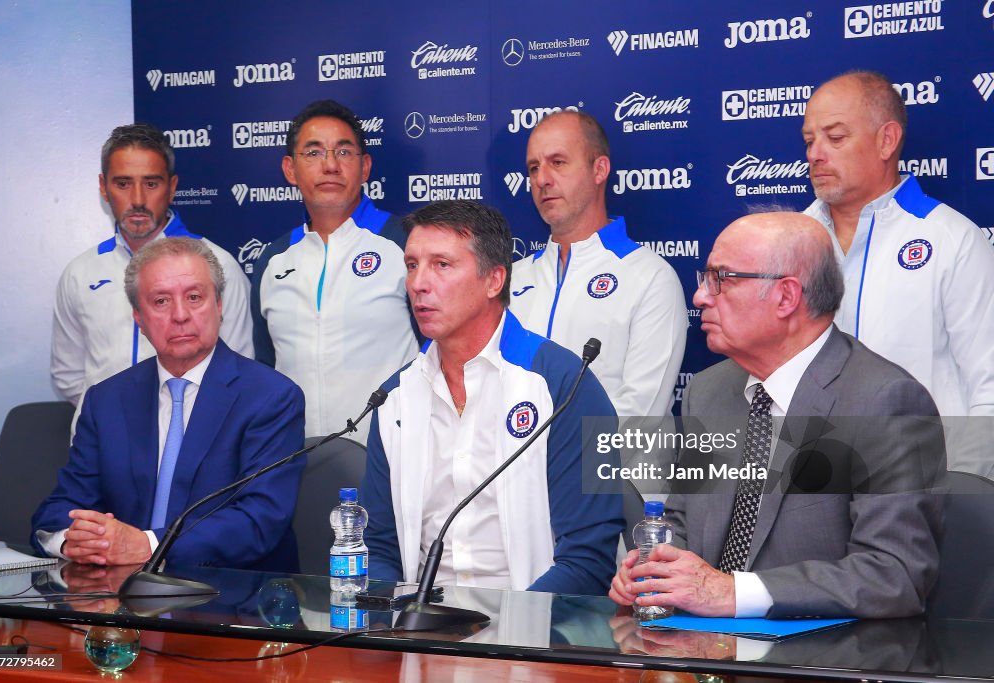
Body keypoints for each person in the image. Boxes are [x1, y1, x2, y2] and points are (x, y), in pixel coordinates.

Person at [609, 212, 942, 618]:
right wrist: (655, 568)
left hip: (820, 663)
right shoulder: (708, 392)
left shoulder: (883, 401)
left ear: (786, 297)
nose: (700, 297)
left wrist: (735, 592)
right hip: (702, 655)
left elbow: (895, 575)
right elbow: (682, 522)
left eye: (722, 279)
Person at [361, 200, 623, 595]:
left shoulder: (564, 386)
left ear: (494, 280)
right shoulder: (394, 398)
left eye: (441, 265)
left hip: (535, 634)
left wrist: (510, 632)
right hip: (420, 631)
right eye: (412, 265)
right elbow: (379, 546)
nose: (418, 283)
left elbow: (588, 561)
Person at [33, 238, 305, 572]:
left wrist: (147, 545)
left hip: (233, 602)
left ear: (219, 305)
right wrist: (71, 538)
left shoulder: (270, 397)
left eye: (194, 297)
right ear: (138, 317)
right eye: (161, 301)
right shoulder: (107, 400)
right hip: (119, 601)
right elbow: (62, 506)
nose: (180, 315)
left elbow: (259, 520)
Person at [802, 70, 994, 421]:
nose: (816, 154)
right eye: (809, 141)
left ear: (886, 140)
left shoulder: (953, 240)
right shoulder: (791, 240)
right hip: (810, 471)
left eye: (836, 137)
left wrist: (966, 476)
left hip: (927, 472)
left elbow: (989, 387)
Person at [51, 123, 253, 407]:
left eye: (151, 184)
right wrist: (112, 421)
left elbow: (239, 371)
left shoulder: (218, 265)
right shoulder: (80, 273)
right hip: (102, 445)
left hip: (190, 444)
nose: (137, 199)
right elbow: (69, 376)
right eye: (123, 184)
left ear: (171, 188)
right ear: (103, 188)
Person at [251, 100, 418, 442]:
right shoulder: (273, 260)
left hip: (390, 467)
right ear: (290, 169)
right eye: (313, 153)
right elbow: (265, 372)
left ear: (365, 166)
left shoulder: (408, 243)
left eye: (343, 152)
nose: (329, 165)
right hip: (295, 469)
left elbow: (443, 354)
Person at [510, 111, 688, 418]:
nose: (542, 179)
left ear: (599, 169)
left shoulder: (651, 277)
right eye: (533, 167)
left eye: (558, 162)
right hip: (518, 465)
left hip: (609, 466)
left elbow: (641, 413)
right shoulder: (512, 279)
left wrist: (552, 462)